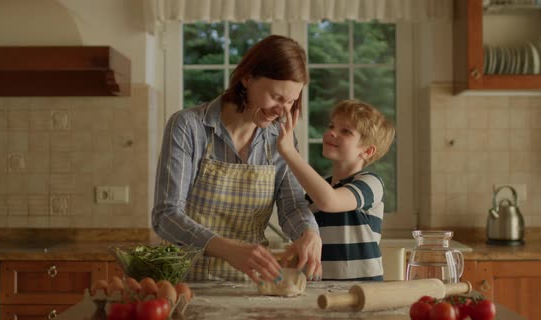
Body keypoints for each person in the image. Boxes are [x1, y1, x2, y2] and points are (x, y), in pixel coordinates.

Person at [152, 35, 322, 284]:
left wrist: (309, 233)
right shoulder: (189, 126)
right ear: (247, 78)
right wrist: (229, 249)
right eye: (276, 97)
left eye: (291, 102)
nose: (281, 111)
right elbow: (166, 216)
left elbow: (292, 206)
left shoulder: (280, 137)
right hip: (187, 282)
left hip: (252, 284)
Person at [276, 99, 395, 281]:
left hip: (363, 291)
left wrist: (289, 153)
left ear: (368, 151)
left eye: (345, 131)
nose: (331, 132)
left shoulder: (371, 182)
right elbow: (308, 232)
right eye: (332, 126)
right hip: (320, 290)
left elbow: (329, 201)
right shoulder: (318, 191)